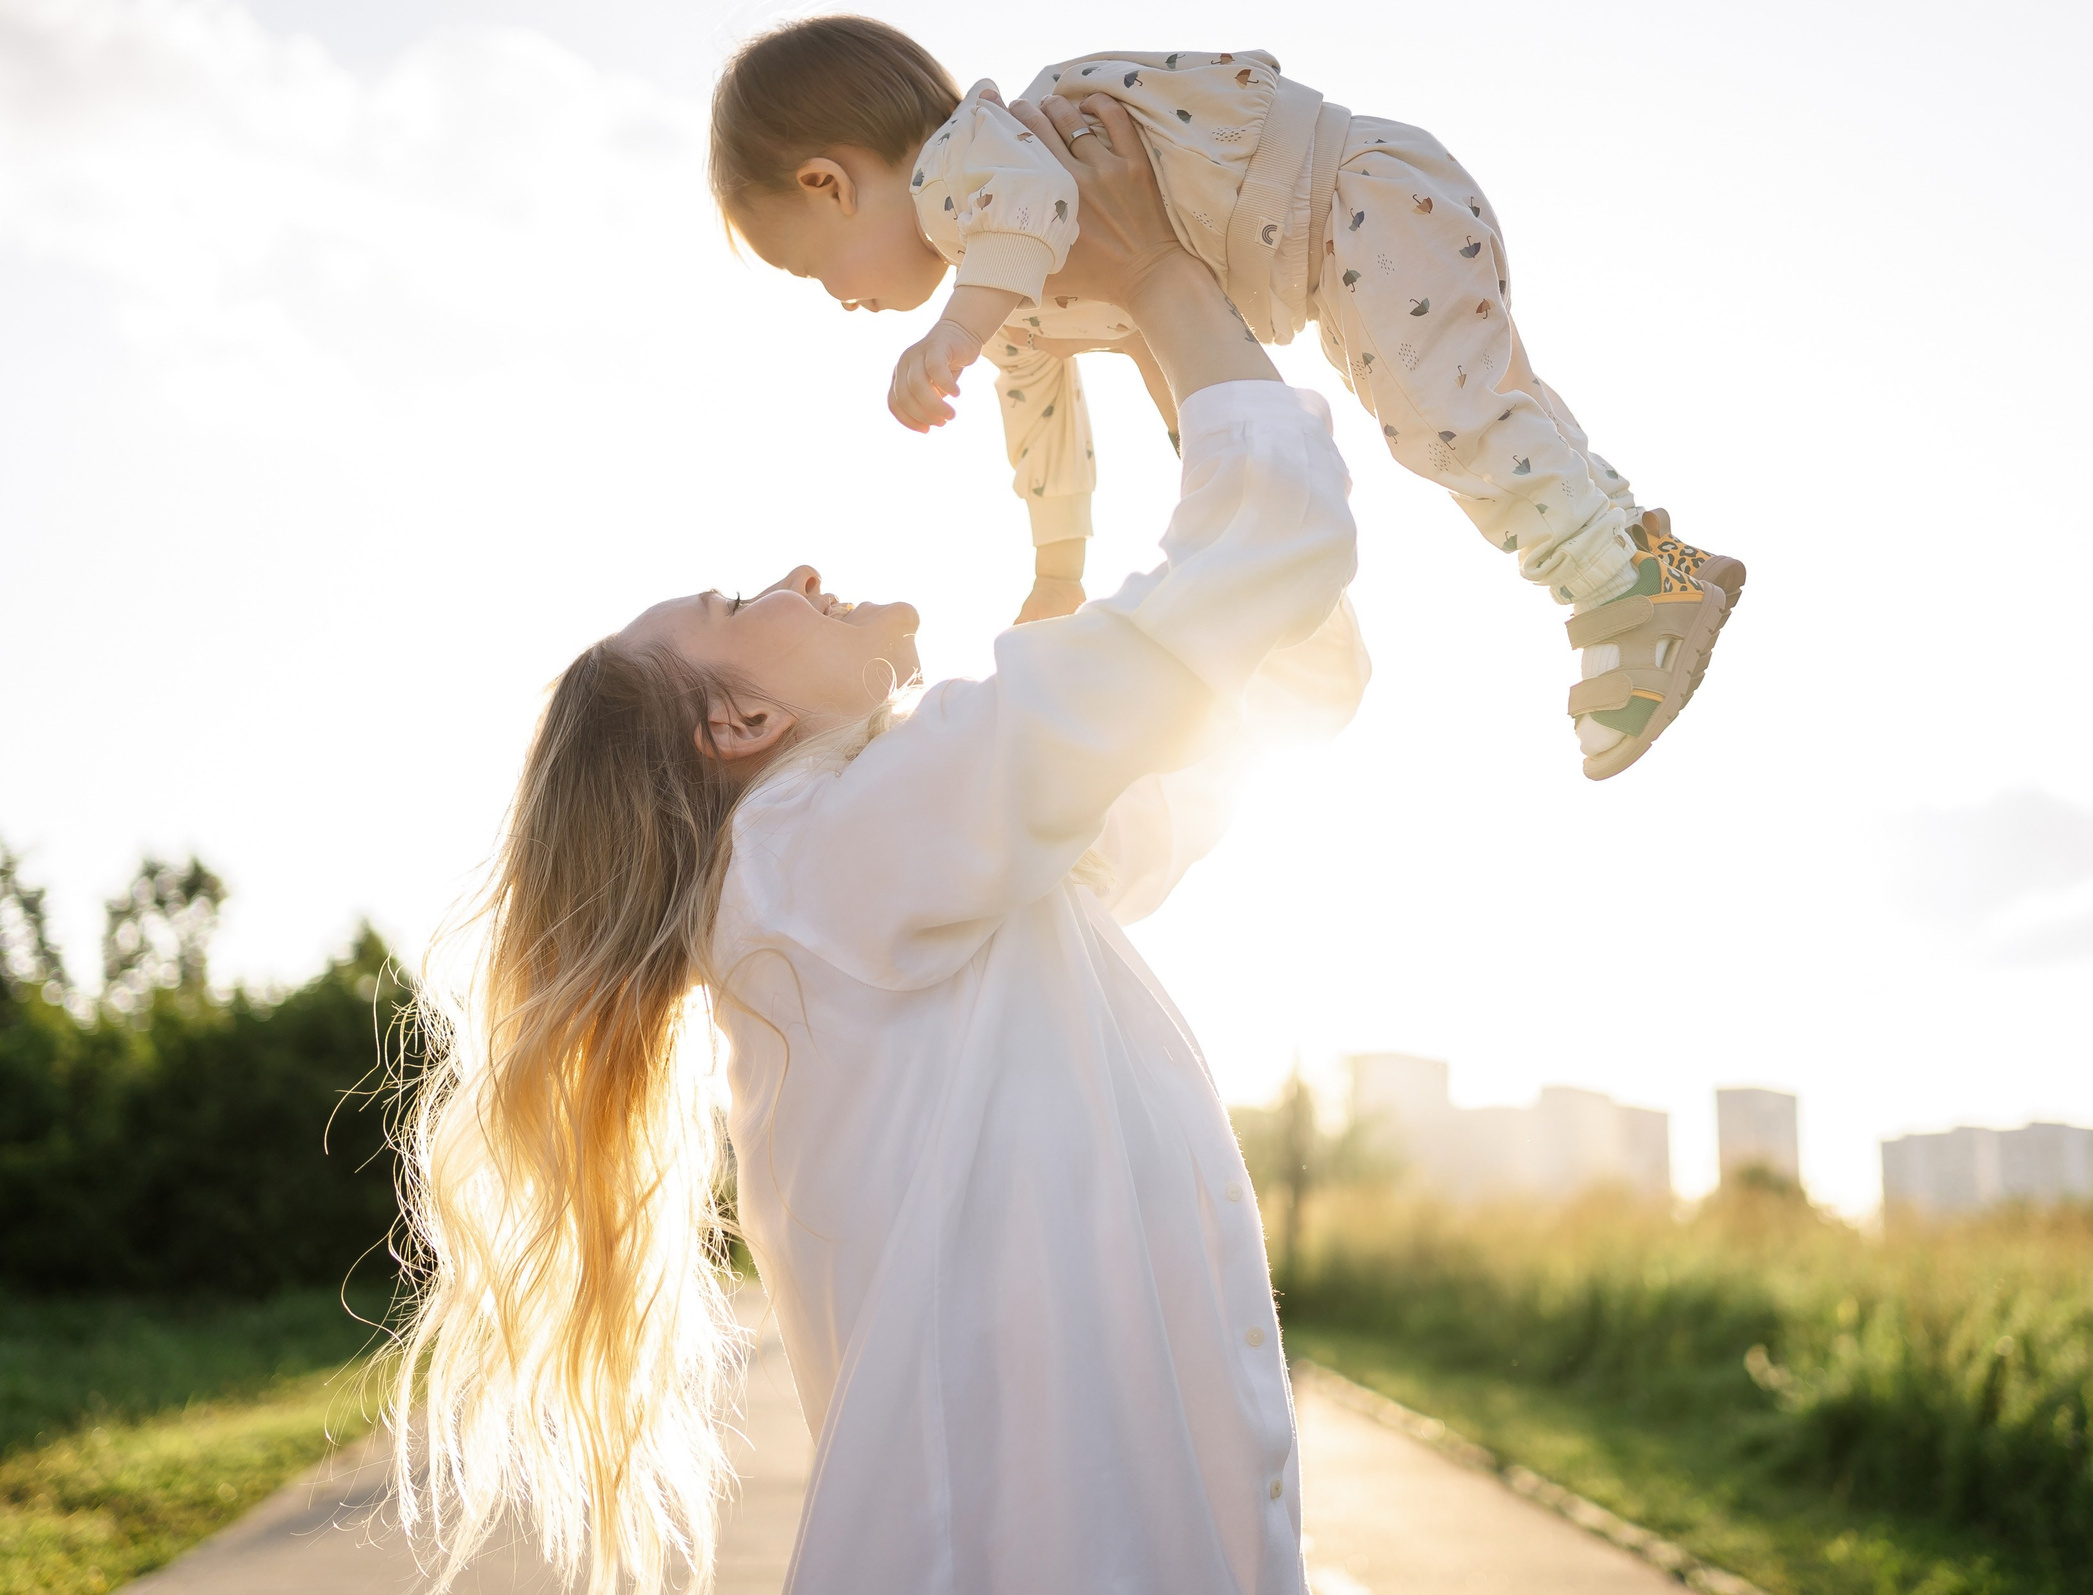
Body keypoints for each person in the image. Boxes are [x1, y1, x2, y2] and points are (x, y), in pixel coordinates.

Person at [391, 91, 1367, 1595]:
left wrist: (1172, 354)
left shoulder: (904, 869)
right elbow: (1268, 549)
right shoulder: (840, 855)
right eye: (734, 604)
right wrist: (1166, 283)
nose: (793, 571)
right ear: (735, 730)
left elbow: (1289, 675)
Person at [711, 15, 1745, 780]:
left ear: (828, 185)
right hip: (1346, 234)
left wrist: (951, 331)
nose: (842, 301)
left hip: (1354, 197)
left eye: (816, 274)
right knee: (1480, 412)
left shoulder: (974, 162)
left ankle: (1619, 591)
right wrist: (1056, 566)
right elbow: (1039, 422)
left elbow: (1029, 211)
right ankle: (1645, 560)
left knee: (1448, 424)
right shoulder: (1003, 285)